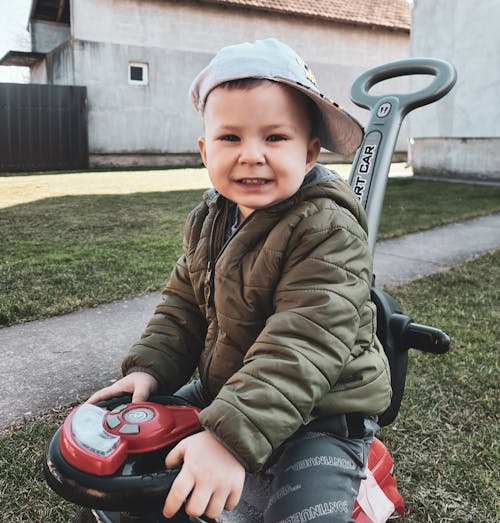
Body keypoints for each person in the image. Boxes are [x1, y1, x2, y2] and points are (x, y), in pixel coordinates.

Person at [88, 38, 391, 522]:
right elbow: (182, 304)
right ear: (205, 150)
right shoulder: (209, 219)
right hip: (226, 392)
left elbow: (304, 344)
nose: (251, 155)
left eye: (274, 138)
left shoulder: (327, 229)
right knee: (130, 470)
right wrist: (150, 367)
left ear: (310, 152)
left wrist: (227, 438)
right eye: (231, 138)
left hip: (322, 415)